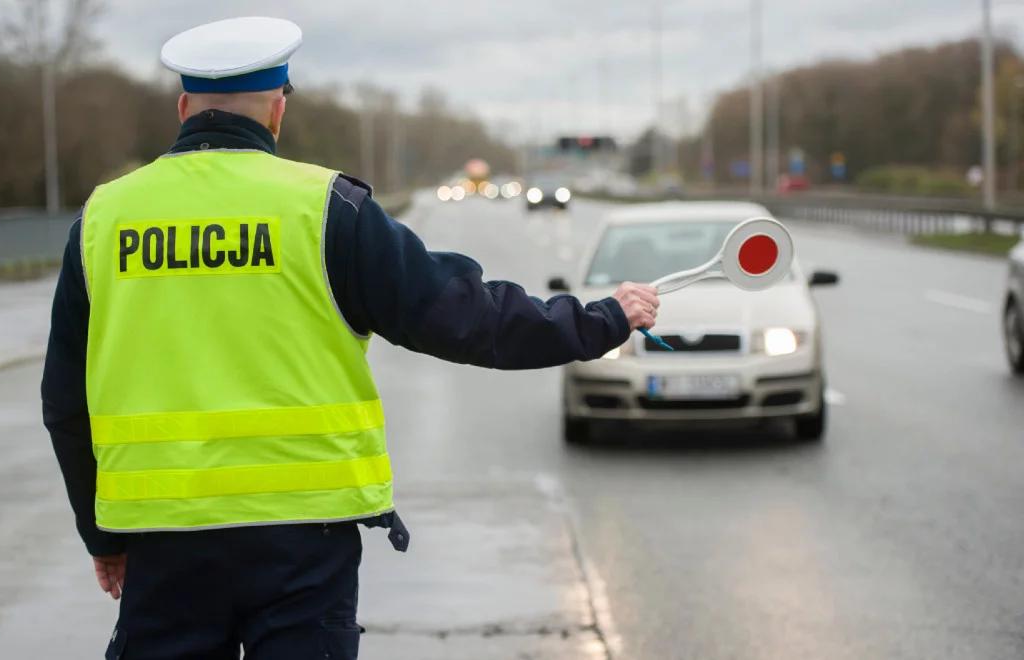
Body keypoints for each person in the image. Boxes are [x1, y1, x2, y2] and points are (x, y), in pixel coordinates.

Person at [40, 16, 660, 660]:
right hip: (303, 543)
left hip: (161, 545)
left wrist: (100, 535)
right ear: (278, 110)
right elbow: (466, 317)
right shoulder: (326, 208)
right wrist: (600, 320)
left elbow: (64, 399)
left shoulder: (103, 219)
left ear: (182, 107)